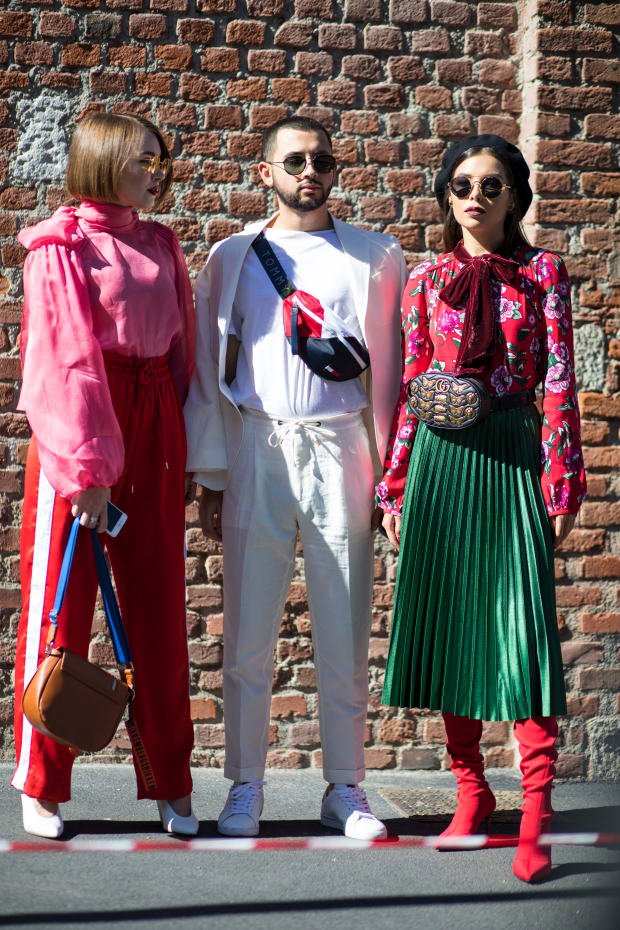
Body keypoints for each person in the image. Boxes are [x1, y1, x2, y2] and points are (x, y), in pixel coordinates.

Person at [184, 115, 407, 839]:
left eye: (322, 161)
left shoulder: (376, 256)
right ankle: (245, 784)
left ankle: (346, 787)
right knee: (248, 628)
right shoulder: (230, 256)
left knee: (343, 625)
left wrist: (386, 476)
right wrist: (212, 476)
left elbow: (391, 373)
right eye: (295, 161)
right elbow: (207, 374)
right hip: (258, 445)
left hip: (344, 447)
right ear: (266, 173)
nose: (309, 172)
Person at [378, 134, 586, 882]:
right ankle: (471, 792)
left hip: (511, 452)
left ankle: (536, 811)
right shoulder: (426, 279)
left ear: (515, 197)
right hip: (440, 457)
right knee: (453, 623)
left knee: (523, 632)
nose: (475, 195)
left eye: (491, 184)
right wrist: (395, 480)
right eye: (461, 183)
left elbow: (560, 377)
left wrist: (561, 477)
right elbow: (412, 381)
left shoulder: (543, 274)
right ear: (446, 194)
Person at [12, 112, 198, 838]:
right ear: (102, 160)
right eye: (142, 159)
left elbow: (183, 353)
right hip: (80, 433)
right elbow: (62, 364)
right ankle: (42, 783)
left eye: (161, 159)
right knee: (62, 616)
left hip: (153, 423)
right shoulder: (59, 248)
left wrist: (180, 448)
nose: (157, 172)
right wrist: (88, 469)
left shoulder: (161, 242)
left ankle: (172, 784)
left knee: (159, 610)